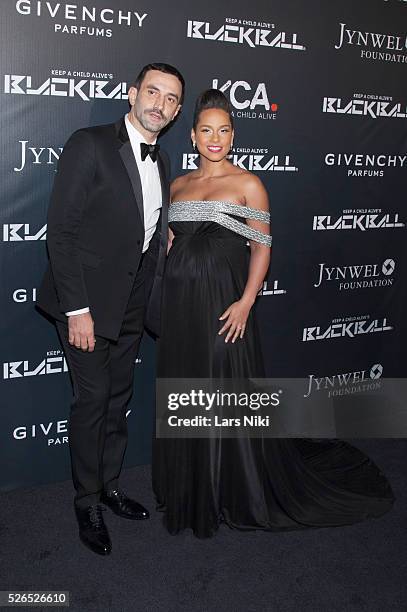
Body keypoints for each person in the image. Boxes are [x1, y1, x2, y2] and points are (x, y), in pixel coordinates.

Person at [152, 89, 394, 538]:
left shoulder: (249, 184)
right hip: (182, 307)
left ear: (233, 135)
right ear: (192, 136)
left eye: (224, 130)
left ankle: (230, 487)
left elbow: (262, 249)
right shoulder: (178, 185)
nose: (215, 138)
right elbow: (171, 243)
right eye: (206, 130)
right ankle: (189, 486)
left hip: (226, 306)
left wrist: (246, 302)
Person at [36, 63, 185, 555]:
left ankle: (109, 484)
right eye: (153, 92)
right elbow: (61, 231)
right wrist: (77, 309)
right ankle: (86, 501)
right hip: (85, 305)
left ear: (177, 110)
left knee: (119, 398)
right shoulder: (90, 143)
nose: (159, 104)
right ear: (132, 94)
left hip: (131, 303)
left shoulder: (163, 160)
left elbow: (142, 221)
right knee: (94, 398)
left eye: (170, 99)